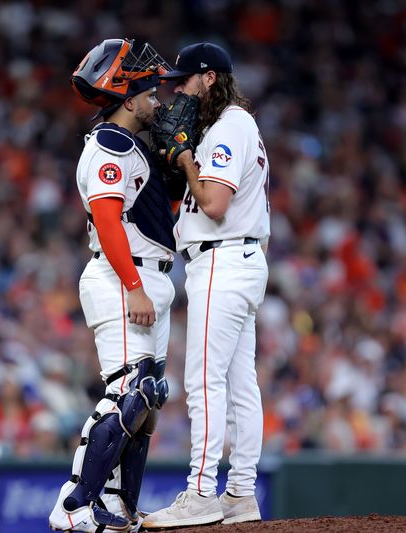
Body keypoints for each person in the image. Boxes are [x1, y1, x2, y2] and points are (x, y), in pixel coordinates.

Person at [48, 38, 179, 533]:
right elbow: (107, 219)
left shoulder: (131, 146)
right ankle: (76, 504)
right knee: (131, 388)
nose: (157, 102)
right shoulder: (110, 143)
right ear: (128, 100)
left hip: (148, 274)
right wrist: (132, 286)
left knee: (147, 401)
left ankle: (118, 504)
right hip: (121, 273)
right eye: (149, 94)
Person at [142, 42, 270, 529]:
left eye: (186, 80)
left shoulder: (229, 127)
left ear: (210, 78)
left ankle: (201, 492)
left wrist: (187, 159)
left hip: (222, 259)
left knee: (203, 380)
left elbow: (213, 204)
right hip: (238, 259)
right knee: (240, 384)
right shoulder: (237, 125)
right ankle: (240, 492)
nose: (177, 90)